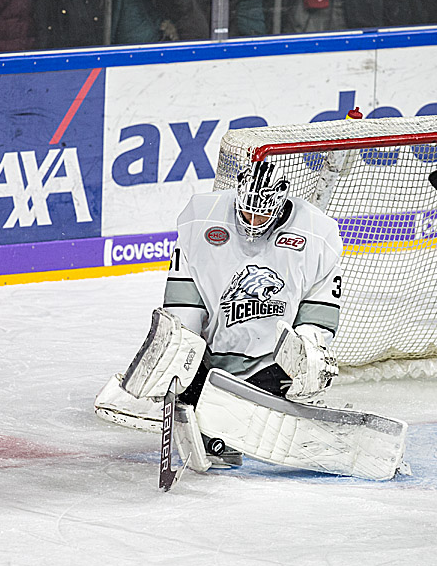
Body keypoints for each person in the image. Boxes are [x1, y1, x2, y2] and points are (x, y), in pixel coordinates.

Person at [97, 161, 344, 468]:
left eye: (262, 214)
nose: (253, 222)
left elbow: (319, 311)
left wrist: (307, 350)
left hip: (271, 366)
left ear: (281, 201)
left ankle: (244, 418)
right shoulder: (200, 219)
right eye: (247, 212)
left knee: (306, 366)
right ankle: (191, 407)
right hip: (212, 360)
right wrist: (178, 357)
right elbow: (184, 303)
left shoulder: (318, 233)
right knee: (177, 350)